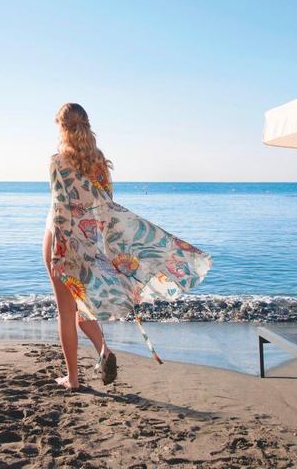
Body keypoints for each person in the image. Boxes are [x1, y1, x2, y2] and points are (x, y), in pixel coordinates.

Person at [42, 103, 212, 391]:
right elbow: (105, 207)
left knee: (66, 311)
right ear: (86, 124)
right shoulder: (99, 162)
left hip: (61, 240)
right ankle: (104, 350)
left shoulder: (57, 161)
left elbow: (60, 211)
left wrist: (59, 253)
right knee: (83, 307)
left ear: (61, 127)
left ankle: (72, 378)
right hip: (88, 240)